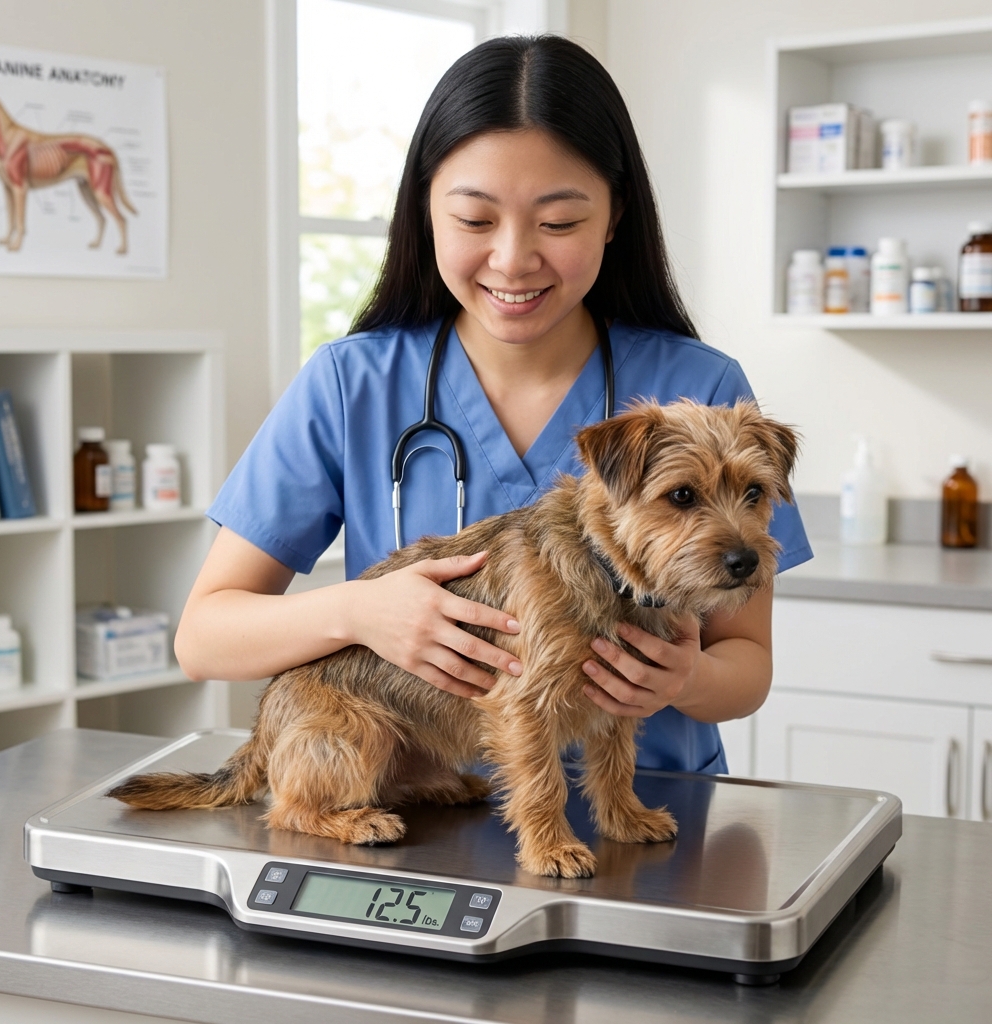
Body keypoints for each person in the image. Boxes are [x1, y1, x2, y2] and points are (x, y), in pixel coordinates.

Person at [176, 35, 812, 774]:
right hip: (426, 821)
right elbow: (204, 636)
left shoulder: (699, 389)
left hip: (651, 819)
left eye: (560, 222)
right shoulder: (351, 384)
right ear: (424, 214)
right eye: (476, 220)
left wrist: (691, 679)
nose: (513, 258)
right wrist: (357, 611)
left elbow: (748, 665)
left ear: (613, 217)